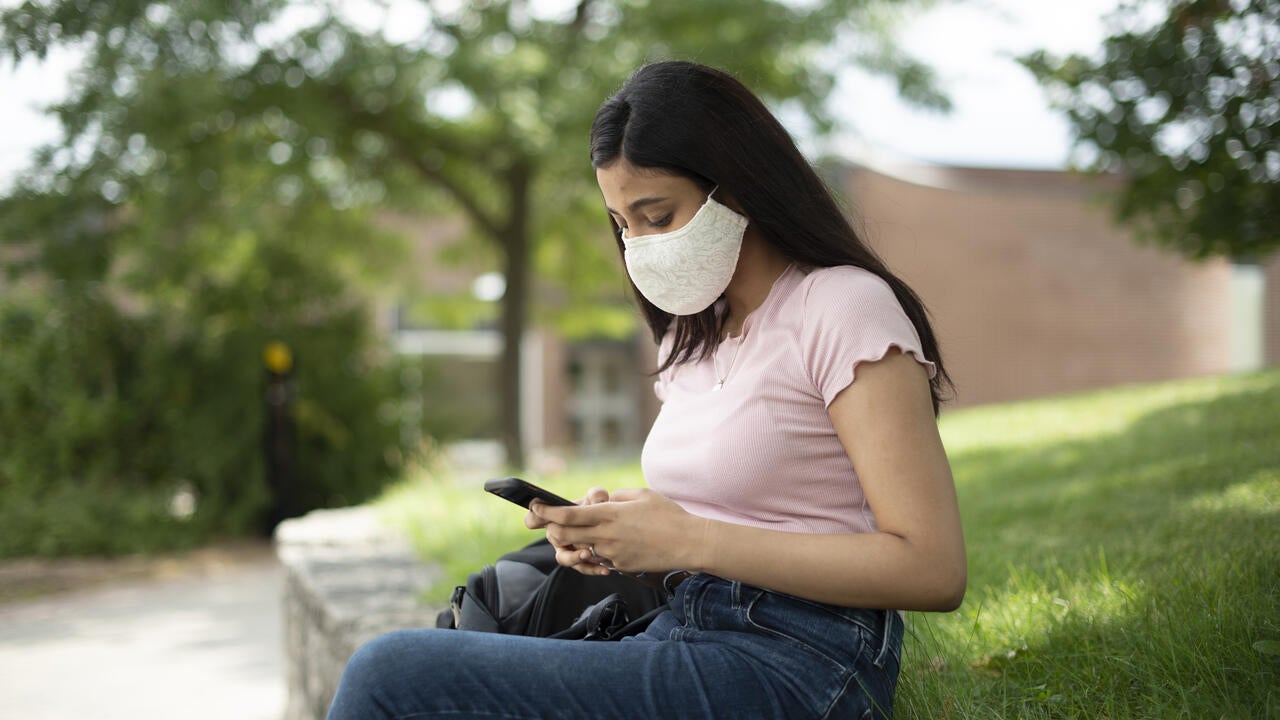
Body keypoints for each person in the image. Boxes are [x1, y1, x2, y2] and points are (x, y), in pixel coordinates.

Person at [327, 60, 966, 720]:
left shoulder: (843, 307)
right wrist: (620, 536)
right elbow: (724, 513)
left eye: (656, 215)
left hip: (801, 659)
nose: (637, 244)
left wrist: (689, 540)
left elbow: (933, 568)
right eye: (622, 222)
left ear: (738, 187)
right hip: (685, 626)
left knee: (389, 673)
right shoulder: (692, 336)